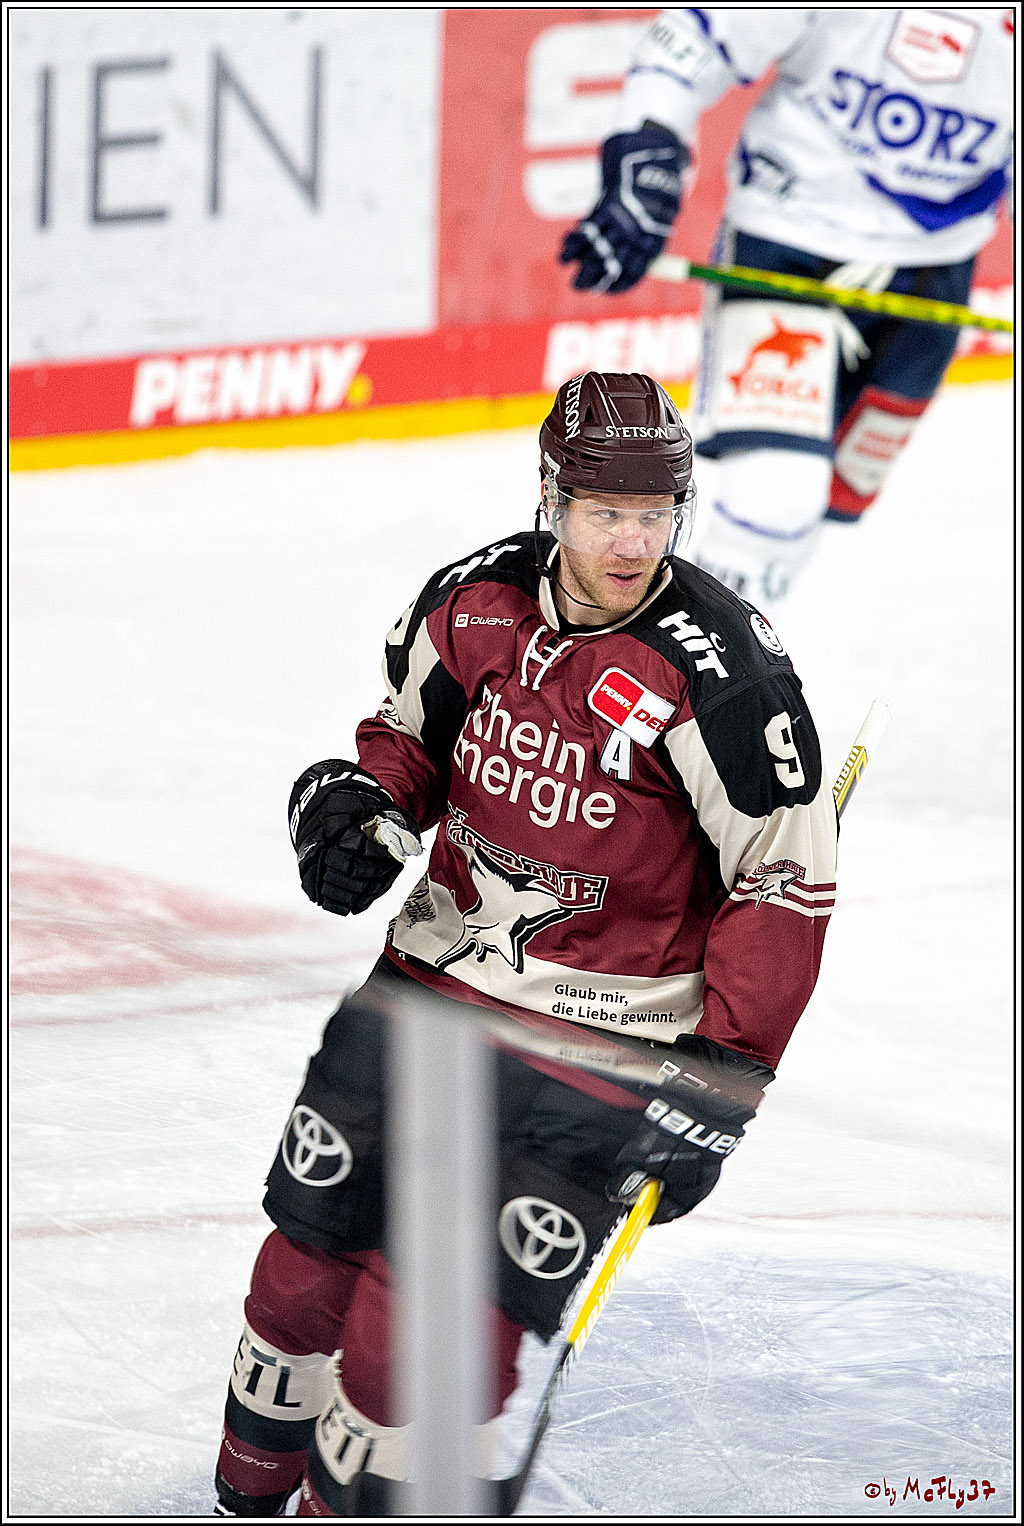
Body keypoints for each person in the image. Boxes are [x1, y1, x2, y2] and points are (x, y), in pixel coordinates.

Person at [213, 371, 838, 1516]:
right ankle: (243, 1497)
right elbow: (404, 744)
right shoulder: (475, 600)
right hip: (424, 990)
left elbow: (781, 885)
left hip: (591, 1052)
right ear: (551, 496)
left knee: (419, 1349)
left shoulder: (727, 676)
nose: (634, 541)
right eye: (607, 513)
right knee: (297, 1280)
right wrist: (349, 805)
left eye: (657, 515)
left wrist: (725, 1073)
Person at [560, 8, 1013, 603]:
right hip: (784, 241)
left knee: (823, 503)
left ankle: (724, 668)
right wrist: (646, 163)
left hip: (935, 275)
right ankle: (680, 680)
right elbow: (690, 42)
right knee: (775, 494)